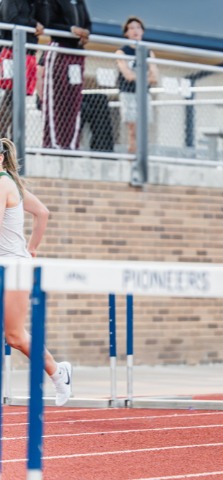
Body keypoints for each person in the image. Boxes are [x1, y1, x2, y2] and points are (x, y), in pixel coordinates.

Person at [0, 137, 72, 406]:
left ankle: (58, 372)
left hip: (13, 269)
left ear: (0, 158)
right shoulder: (12, 183)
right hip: (12, 262)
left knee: (15, 336)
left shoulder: (3, 183)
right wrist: (32, 247)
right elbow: (42, 212)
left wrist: (28, 251)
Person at [41, 0, 91, 150]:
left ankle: (70, 144)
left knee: (74, 101)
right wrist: (71, 29)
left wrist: (86, 33)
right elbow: (48, 23)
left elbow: (88, 23)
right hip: (60, 49)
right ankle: (53, 143)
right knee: (56, 99)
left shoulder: (79, 2)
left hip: (76, 52)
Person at [0, 0, 45, 137]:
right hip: (10, 52)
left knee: (18, 97)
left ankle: (14, 138)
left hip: (28, 53)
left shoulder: (34, 3)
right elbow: (10, 18)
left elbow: (45, 21)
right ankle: (7, 137)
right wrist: (33, 24)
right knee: (11, 95)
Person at [115, 16, 159, 154]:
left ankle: (142, 155)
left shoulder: (148, 52)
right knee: (133, 129)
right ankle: (132, 157)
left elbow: (154, 76)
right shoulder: (122, 52)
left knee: (144, 128)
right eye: (132, 28)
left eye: (138, 27)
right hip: (128, 93)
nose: (135, 31)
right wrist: (145, 76)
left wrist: (138, 76)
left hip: (144, 94)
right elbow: (127, 75)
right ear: (126, 33)